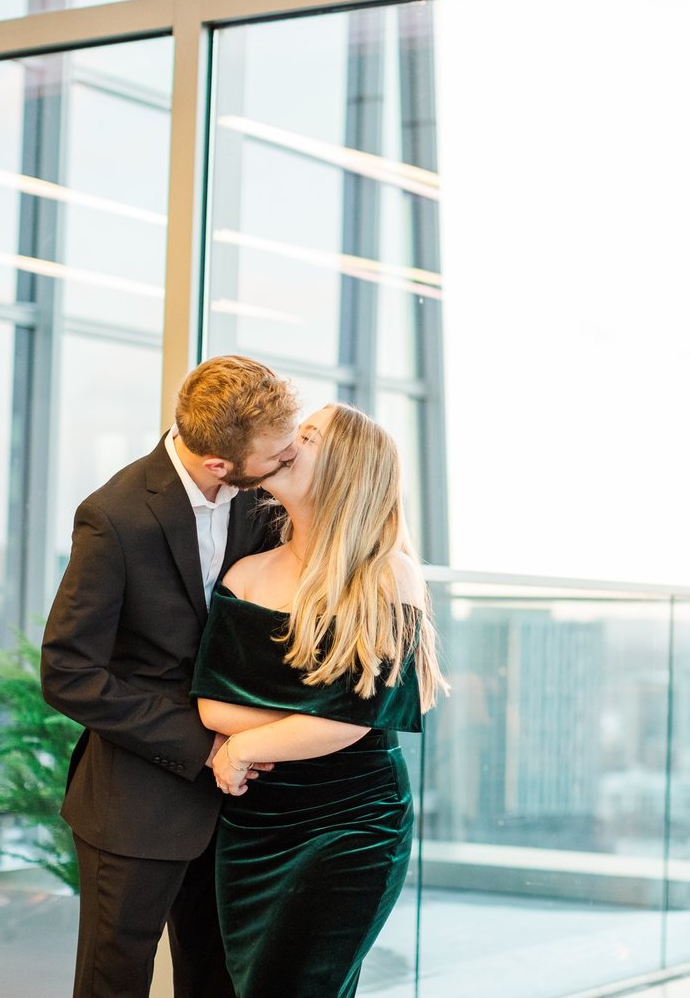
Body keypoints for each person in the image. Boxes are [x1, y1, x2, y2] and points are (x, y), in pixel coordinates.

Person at [41, 355, 299, 998]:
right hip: (137, 804)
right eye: (277, 455)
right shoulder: (114, 516)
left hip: (244, 805)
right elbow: (68, 672)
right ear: (220, 464)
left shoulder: (262, 499)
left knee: (216, 980)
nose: (288, 461)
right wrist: (205, 743)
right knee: (114, 983)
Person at [192, 402, 448, 998]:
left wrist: (246, 746)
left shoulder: (388, 575)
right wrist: (305, 715)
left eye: (306, 435)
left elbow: (350, 723)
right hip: (254, 828)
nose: (286, 441)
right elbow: (213, 708)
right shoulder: (246, 574)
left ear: (345, 468)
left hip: (352, 825)